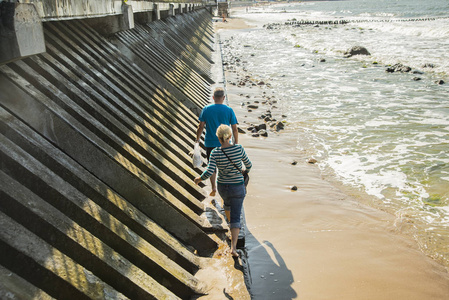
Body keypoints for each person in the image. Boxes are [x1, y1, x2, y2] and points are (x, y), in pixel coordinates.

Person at [194, 125, 252, 257]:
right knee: (237, 216)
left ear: (218, 138)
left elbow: (210, 171)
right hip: (238, 186)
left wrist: (199, 179)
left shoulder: (215, 152)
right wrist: (245, 172)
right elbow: (249, 165)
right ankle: (233, 248)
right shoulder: (239, 149)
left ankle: (230, 225)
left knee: (227, 205)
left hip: (223, 187)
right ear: (230, 136)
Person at [196, 87, 239, 196]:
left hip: (210, 142)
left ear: (213, 97)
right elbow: (234, 129)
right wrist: (236, 143)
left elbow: (200, 126)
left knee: (212, 166)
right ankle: (225, 189)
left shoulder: (206, 109)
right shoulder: (229, 110)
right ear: (223, 98)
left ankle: (214, 187)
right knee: (225, 166)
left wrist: (197, 139)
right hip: (225, 143)